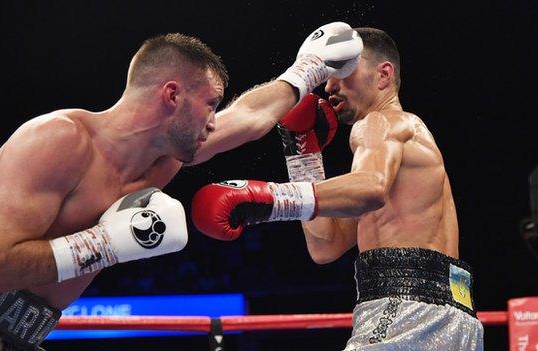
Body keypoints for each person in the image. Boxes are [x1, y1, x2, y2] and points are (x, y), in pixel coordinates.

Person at [0, 24, 363, 350]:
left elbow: (248, 119)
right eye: (210, 104)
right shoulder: (58, 140)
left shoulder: (165, 159)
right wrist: (108, 244)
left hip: (20, 331)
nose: (214, 120)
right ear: (172, 95)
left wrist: (306, 69)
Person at [192, 27, 484, 350]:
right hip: (452, 317)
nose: (329, 85)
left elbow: (370, 188)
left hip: (404, 309)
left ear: (383, 75)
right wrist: (304, 156)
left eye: (343, 71)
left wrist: (269, 200)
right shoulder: (403, 144)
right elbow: (325, 245)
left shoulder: (382, 123)